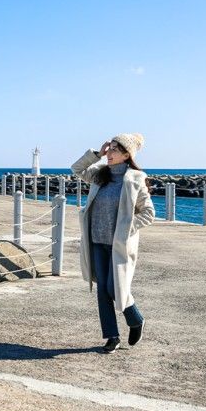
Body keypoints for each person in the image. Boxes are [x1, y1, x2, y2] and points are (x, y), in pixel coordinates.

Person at [71, 133, 155, 353]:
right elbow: (76, 169)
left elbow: (148, 213)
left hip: (119, 245)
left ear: (127, 155)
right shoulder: (100, 175)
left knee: (114, 288)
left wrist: (126, 228)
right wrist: (97, 154)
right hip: (96, 241)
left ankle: (136, 319)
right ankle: (112, 336)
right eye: (110, 148)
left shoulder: (135, 178)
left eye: (115, 149)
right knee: (102, 291)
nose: (110, 153)